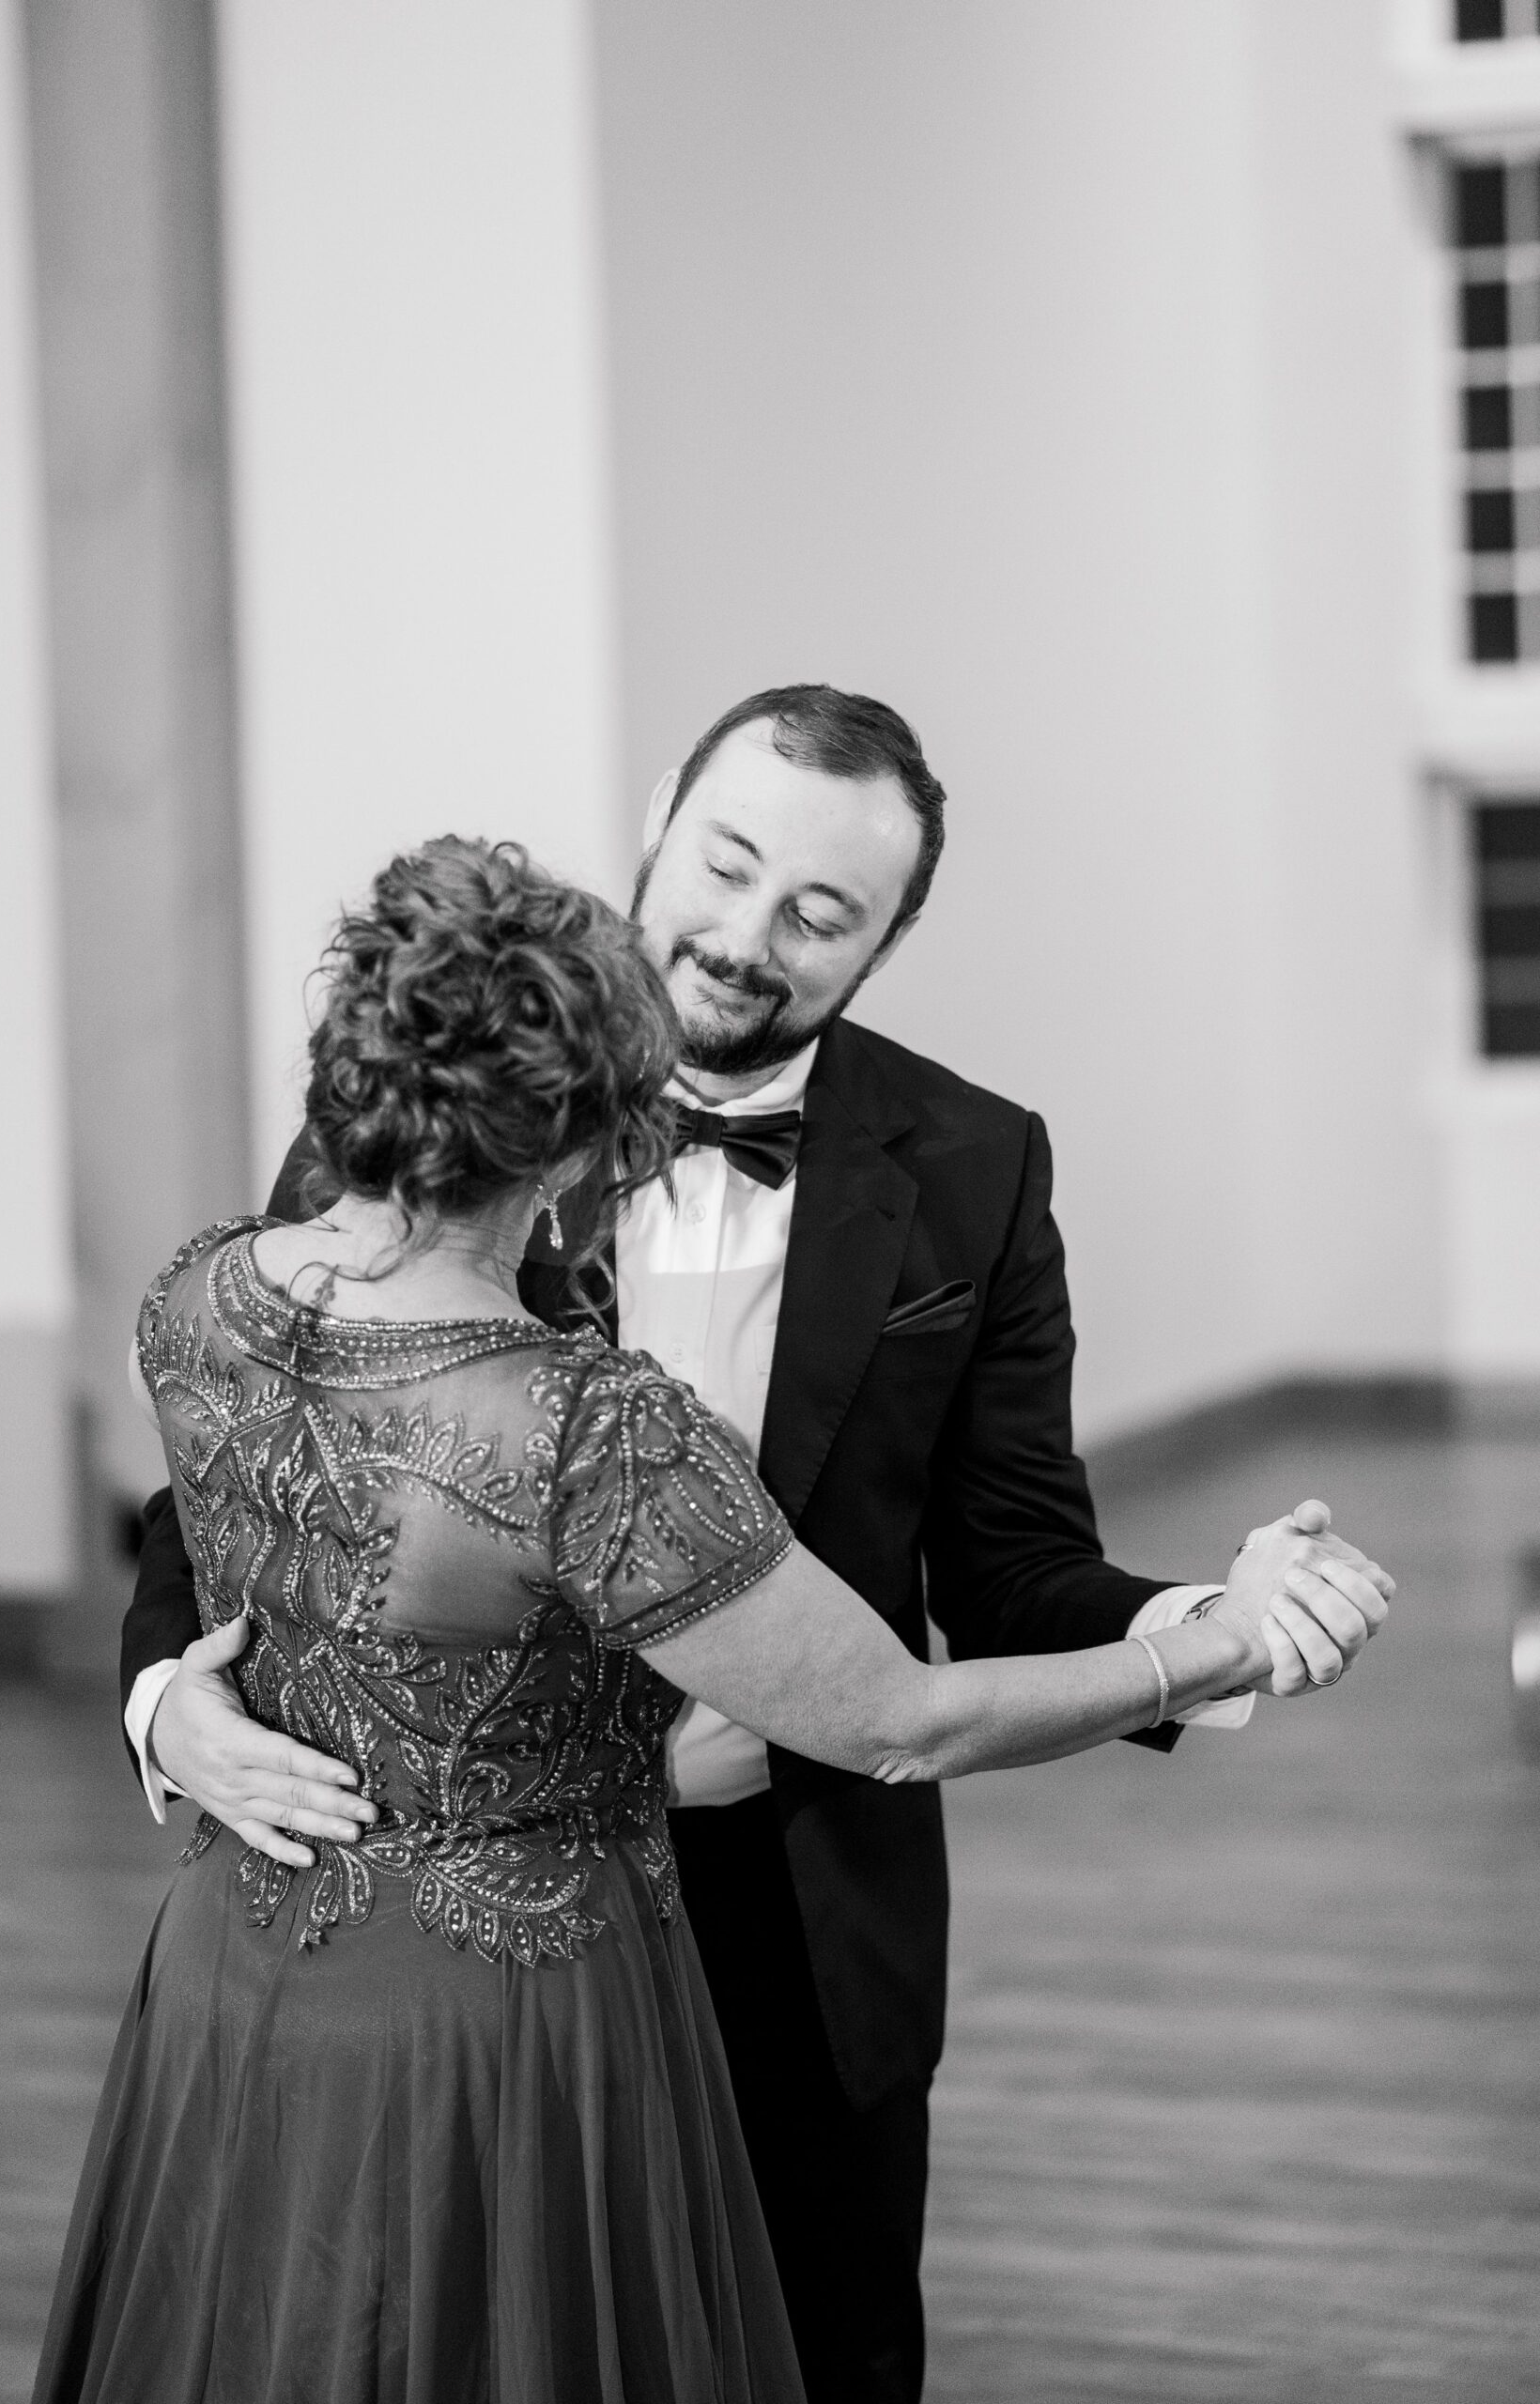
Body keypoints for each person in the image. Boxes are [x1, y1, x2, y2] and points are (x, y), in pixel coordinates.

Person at [117, 695, 1394, 2404]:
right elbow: (240, 1486)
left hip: (801, 1903)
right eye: (728, 864)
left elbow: (1016, 1556)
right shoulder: (461, 1095)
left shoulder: (972, 1165)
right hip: (463, 1949)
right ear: (660, 815)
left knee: (817, 2351)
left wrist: (1209, 1615)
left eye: (822, 912)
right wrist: (162, 1705)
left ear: (889, 937)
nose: (744, 937)